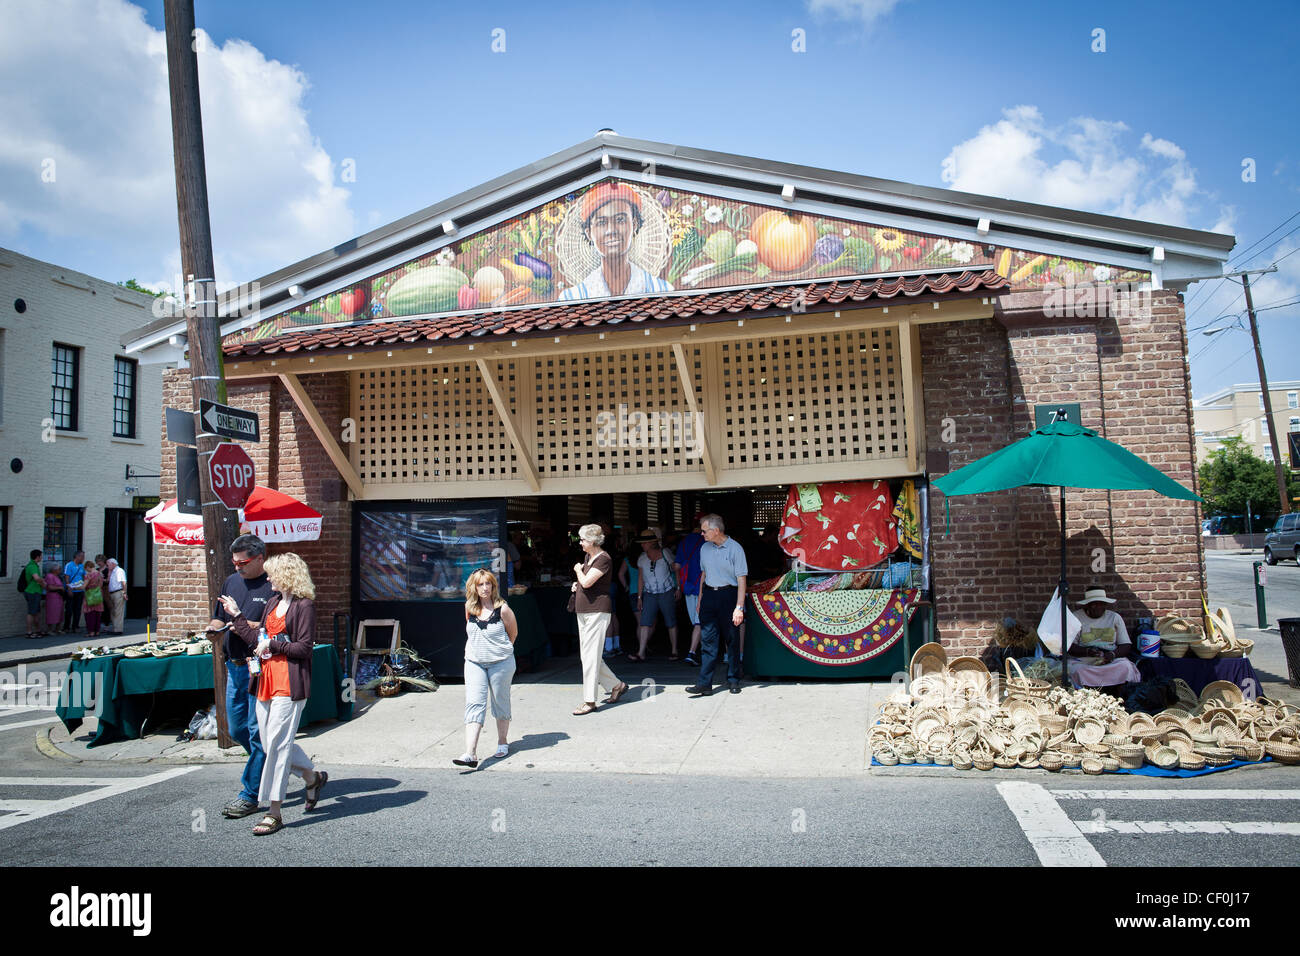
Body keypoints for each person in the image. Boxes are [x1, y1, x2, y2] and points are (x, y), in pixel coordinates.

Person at [221, 552, 327, 835]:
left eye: (272, 574)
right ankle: (311, 776)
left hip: (289, 684)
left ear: (287, 576)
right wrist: (238, 616)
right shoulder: (272, 602)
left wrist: (273, 645)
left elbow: (304, 648)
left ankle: (274, 812)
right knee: (269, 745)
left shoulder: (304, 606)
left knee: (278, 748)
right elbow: (258, 640)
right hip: (265, 680)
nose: (267, 579)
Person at [207, 534, 274, 820]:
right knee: (236, 731)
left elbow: (279, 625)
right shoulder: (231, 582)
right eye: (234, 562)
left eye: (243, 562)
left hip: (259, 667)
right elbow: (219, 616)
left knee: (256, 733)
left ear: (260, 558)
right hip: (234, 665)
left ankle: (249, 794)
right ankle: (271, 763)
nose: (237, 568)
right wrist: (213, 628)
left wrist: (247, 624)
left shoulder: (274, 584)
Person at [557, 183, 673, 301]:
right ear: (589, 233)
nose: (611, 231)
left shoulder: (662, 291)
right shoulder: (571, 298)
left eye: (620, 220)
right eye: (601, 223)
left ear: (634, 225)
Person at [454, 569, 519, 768]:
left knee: (500, 701)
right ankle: (470, 753)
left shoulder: (503, 609)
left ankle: (502, 741)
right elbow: (472, 633)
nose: (484, 588)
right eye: (480, 584)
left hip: (501, 662)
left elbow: (513, 634)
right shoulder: (469, 607)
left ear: (493, 586)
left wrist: (499, 652)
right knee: (474, 703)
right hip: (474, 662)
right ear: (473, 587)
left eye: (488, 584)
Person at [686, 514, 748, 697]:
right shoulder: (704, 548)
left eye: (704, 531)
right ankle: (705, 684)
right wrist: (699, 600)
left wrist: (739, 607)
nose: (702, 534)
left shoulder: (735, 549)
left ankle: (734, 679)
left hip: (729, 595)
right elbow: (703, 575)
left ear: (716, 531)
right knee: (708, 641)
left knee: (732, 639)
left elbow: (741, 578)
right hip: (709, 596)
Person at [570, 523, 628, 715]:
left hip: (597, 611)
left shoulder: (604, 559)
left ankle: (589, 701)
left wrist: (578, 571)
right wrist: (576, 584)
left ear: (593, 541)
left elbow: (586, 581)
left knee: (590, 658)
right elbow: (585, 583)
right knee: (587, 656)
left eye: (583, 539)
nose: (581, 543)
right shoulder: (589, 556)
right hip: (584, 610)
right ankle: (616, 685)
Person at [1067, 586, 1141, 691]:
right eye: (1094, 604)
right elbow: (1069, 646)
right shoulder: (1076, 617)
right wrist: (1088, 652)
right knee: (1077, 671)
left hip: (1110, 659)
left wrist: (1112, 654)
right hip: (1084, 659)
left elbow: (1125, 645)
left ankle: (1119, 694)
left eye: (1101, 603)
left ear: (1105, 605)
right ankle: (1084, 696)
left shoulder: (1114, 617)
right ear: (1087, 605)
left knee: (1126, 667)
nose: (1097, 607)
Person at [632, 528, 681, 661]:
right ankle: (641, 652)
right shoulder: (642, 558)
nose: (642, 545)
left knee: (670, 621)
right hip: (650, 593)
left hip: (667, 591)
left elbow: (676, 569)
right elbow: (640, 579)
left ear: (652, 543)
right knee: (644, 622)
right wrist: (639, 597)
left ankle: (674, 650)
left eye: (644, 543)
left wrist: (678, 587)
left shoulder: (665, 553)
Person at [676, 516, 706, 666]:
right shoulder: (706, 541)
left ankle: (694, 652)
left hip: (687, 585)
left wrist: (678, 586)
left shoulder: (683, 542)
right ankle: (693, 652)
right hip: (703, 585)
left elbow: (676, 566)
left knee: (696, 622)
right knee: (700, 621)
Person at [21, 550, 47, 638]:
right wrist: (43, 583)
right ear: (37, 557)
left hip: (34, 591)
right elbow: (36, 578)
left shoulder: (32, 565)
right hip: (33, 591)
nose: (41, 558)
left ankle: (37, 630)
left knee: (36, 612)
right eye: (41, 556)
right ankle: (29, 632)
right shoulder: (32, 566)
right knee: (32, 612)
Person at [63, 550, 86, 634]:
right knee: (69, 609)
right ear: (77, 556)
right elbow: (67, 577)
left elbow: (84, 576)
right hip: (72, 589)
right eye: (82, 556)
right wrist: (69, 588)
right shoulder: (69, 565)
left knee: (78, 609)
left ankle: (75, 626)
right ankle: (66, 626)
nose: (83, 558)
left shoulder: (82, 566)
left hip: (79, 590)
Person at [104, 558, 127, 635]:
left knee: (118, 611)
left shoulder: (119, 571)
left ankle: (118, 629)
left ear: (113, 564)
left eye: (108, 565)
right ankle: (115, 628)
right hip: (112, 593)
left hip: (118, 592)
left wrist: (124, 592)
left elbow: (124, 582)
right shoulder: (112, 571)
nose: (107, 567)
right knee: (113, 611)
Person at [82, 560, 104, 638]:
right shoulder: (100, 574)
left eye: (86, 568)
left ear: (88, 567)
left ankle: (91, 632)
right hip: (98, 594)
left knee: (89, 614)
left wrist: (75, 586)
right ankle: (97, 631)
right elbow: (101, 585)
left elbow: (84, 586)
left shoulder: (89, 575)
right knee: (97, 614)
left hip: (90, 595)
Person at [43, 564, 66, 635]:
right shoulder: (49, 576)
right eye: (59, 569)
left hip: (59, 597)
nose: (60, 571)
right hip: (52, 596)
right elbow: (49, 587)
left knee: (60, 613)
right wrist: (59, 588)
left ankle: (57, 629)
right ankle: (49, 629)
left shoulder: (57, 576)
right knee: (52, 612)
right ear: (54, 570)